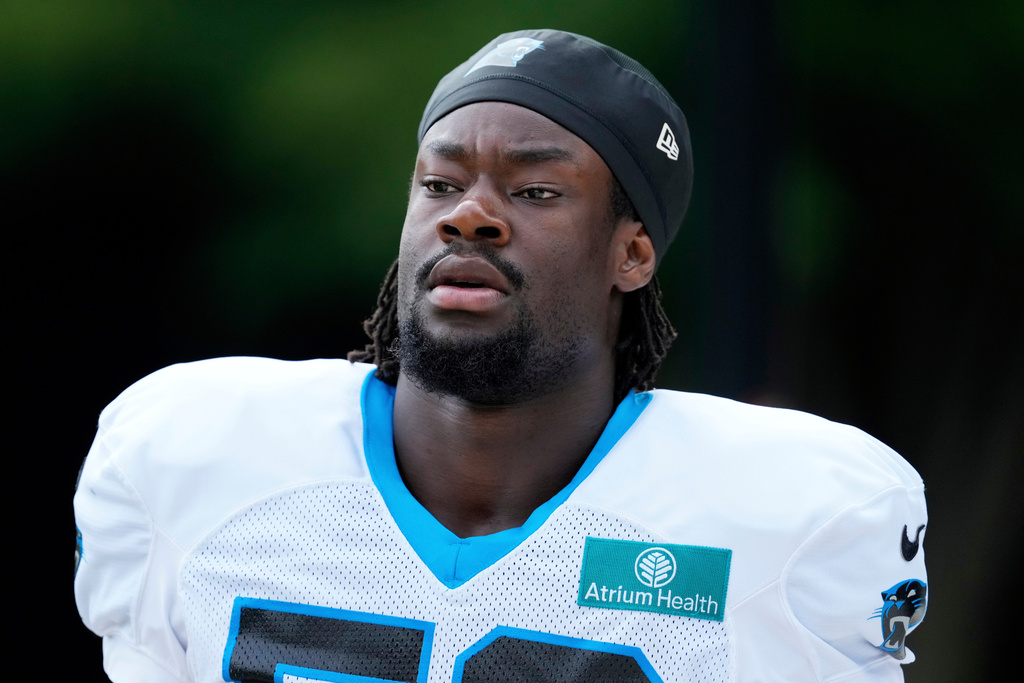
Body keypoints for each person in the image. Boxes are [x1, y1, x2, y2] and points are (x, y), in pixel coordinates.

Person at [74, 29, 928, 682]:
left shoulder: (782, 518)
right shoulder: (196, 456)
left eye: (534, 190)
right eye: (440, 184)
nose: (469, 215)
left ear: (632, 254)